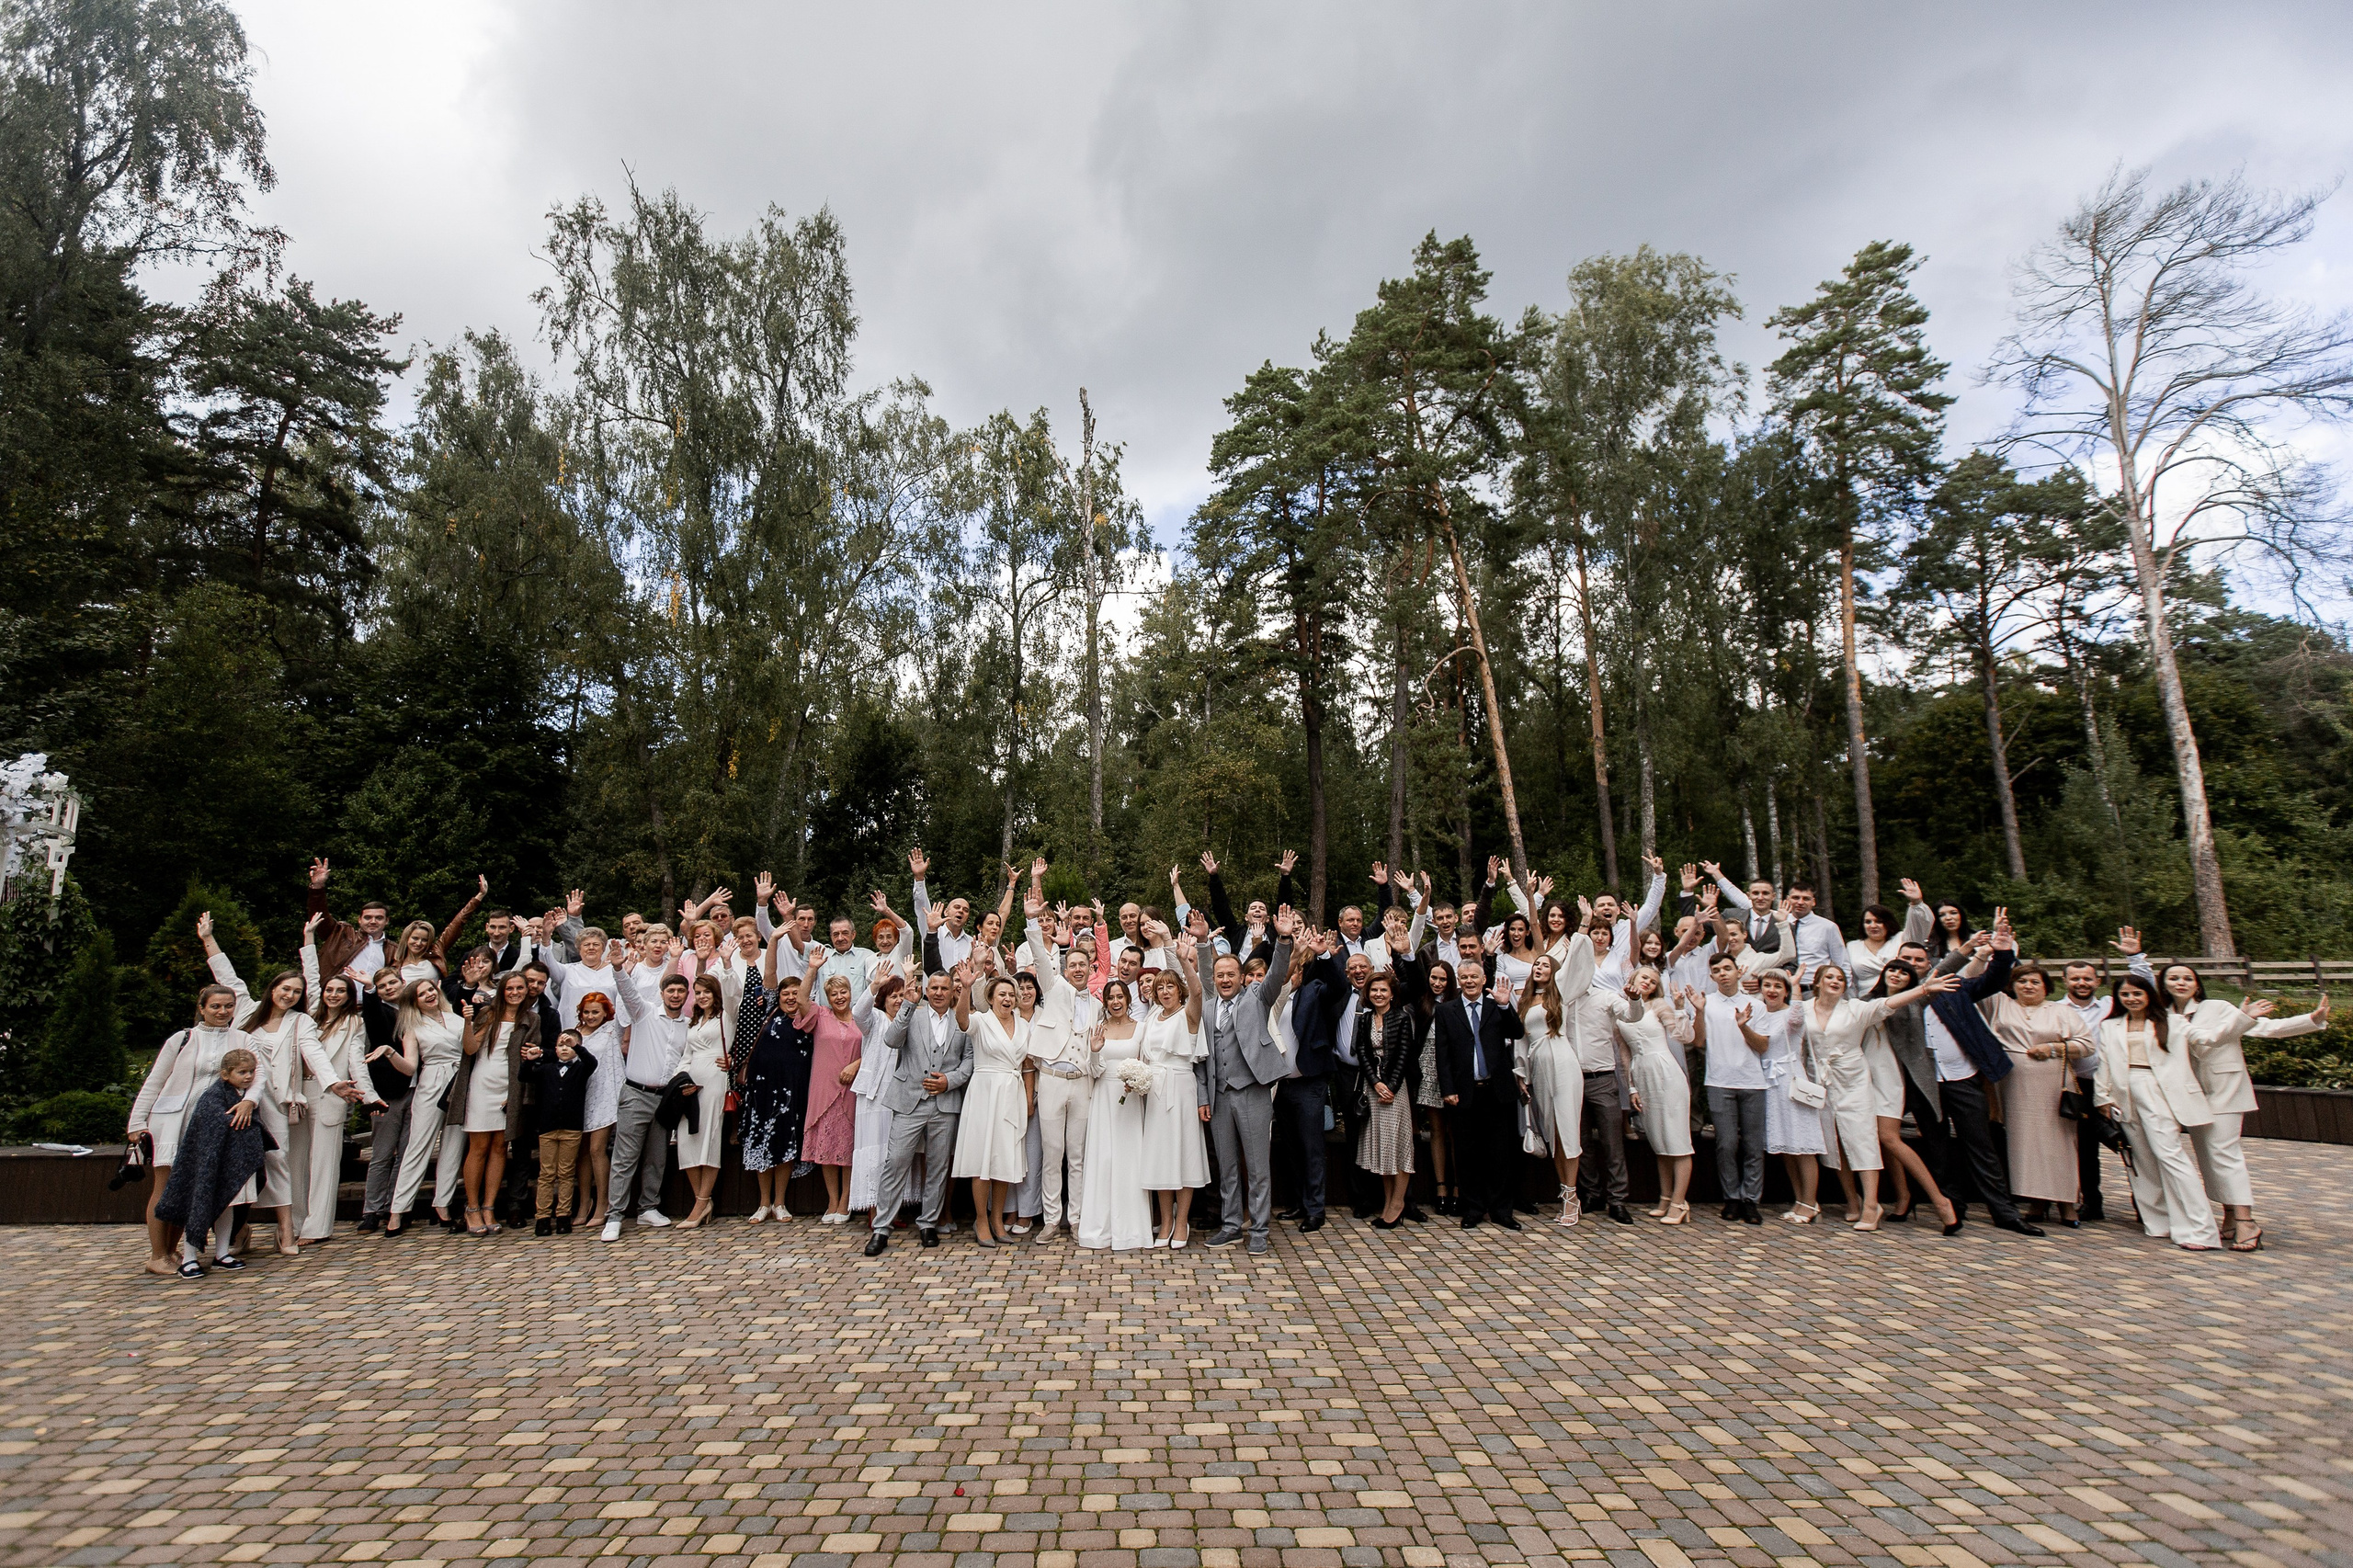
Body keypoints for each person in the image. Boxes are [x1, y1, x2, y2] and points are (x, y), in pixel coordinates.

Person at [2158, 962, 2329, 1253]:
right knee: (2207, 1156)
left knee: (2225, 1153)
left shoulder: (2218, 1007)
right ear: (2163, 985)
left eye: (2188, 977)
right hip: (2190, 1092)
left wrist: (2310, 1019)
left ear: (2197, 985)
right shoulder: (2163, 1016)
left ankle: (2246, 1220)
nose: (2181, 982)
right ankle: (2227, 1216)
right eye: (2173, 978)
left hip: (2225, 1088)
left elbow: (2264, 1028)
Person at [199, 914, 335, 1257]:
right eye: (285, 988)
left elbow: (315, 1053)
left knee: (278, 1161)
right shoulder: (245, 1010)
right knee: (234, 1163)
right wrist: (208, 939)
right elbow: (225, 975)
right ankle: (238, 1229)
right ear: (272, 989)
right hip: (235, 1100)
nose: (290, 995)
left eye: (296, 991)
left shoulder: (301, 1020)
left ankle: (286, 1229)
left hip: (277, 1103)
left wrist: (332, 1083)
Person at [1801, 958, 1957, 1232]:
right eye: (1829, 977)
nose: (1896, 975)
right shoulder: (1824, 1006)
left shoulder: (1862, 1008)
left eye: (1840, 978)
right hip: (1834, 1079)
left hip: (1879, 1078)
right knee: (1840, 1140)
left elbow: (1892, 1004)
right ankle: (1857, 1201)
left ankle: (1932, 1201)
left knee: (1882, 1138)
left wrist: (1926, 987)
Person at [127, 979, 260, 1274]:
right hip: (175, 1121)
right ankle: (157, 1255)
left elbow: (258, 1075)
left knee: (193, 1187)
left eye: (228, 1006)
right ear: (201, 1008)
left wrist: (250, 1100)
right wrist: (137, 1121)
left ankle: (175, 1251)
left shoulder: (242, 1039)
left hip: (217, 1124)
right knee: (166, 1187)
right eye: (215, 1006)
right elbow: (155, 1081)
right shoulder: (182, 1038)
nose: (222, 1011)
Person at [2093, 973, 2222, 1250]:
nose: (2131, 999)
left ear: (2149, 995)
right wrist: (2102, 1098)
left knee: (2170, 1157)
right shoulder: (2111, 1026)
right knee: (2141, 1160)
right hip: (2124, 1095)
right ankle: (2159, 1222)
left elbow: (2207, 1038)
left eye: (2137, 994)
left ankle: (2200, 1230)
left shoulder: (2173, 1022)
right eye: (2125, 995)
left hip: (2158, 1091)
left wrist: (2243, 1018)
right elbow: (2103, 1063)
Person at [1194, 913, 1294, 1254]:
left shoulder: (1257, 998)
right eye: (1220, 975)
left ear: (1241, 977)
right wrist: (1203, 942)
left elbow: (1278, 974)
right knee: (1227, 1166)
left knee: (1257, 1165)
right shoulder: (1209, 1007)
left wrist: (1282, 941)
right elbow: (1203, 1059)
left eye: (1230, 974)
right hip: (1219, 1095)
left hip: (1252, 1090)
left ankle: (1260, 1229)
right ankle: (1232, 1225)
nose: (1224, 980)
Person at [864, 965, 972, 1256]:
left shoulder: (963, 1021)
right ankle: (881, 1228)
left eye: (944, 988)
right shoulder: (913, 1013)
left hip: (944, 1105)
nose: (938, 993)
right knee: (896, 1162)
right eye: (933, 988)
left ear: (953, 992)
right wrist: (909, 1004)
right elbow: (891, 1040)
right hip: (909, 1100)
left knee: (938, 1166)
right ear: (927, 990)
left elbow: (968, 1063)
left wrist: (949, 1081)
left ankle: (928, 1223)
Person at [1976, 960, 2095, 1225]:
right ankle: (2036, 1203)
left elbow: (2087, 1045)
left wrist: (2053, 1048)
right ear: (2012, 985)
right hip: (2012, 1085)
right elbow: (1971, 978)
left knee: (2059, 1144)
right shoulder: (1999, 1004)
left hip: (2052, 1084)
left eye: (2034, 982)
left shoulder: (2061, 1012)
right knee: (2025, 1146)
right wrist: (1987, 953)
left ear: (2046, 986)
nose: (2028, 986)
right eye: (2021, 981)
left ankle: (2067, 1204)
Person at [540, 925, 639, 1228]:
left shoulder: (611, 1026)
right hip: (578, 1088)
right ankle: (582, 1204)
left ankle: (604, 1204)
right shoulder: (573, 1036)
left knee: (597, 1148)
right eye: (586, 945)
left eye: (597, 944)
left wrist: (625, 968)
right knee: (581, 1149)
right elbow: (547, 964)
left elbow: (626, 1002)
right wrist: (546, 936)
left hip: (606, 1087)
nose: (592, 948)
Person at [1859, 960, 1962, 1232]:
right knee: (1881, 1140)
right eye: (1893, 969)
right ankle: (1903, 1197)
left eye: (1905, 972)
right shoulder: (1864, 1001)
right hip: (1862, 1076)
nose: (1897, 974)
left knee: (1890, 1138)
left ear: (1911, 981)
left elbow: (1939, 975)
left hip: (1893, 1077)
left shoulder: (1914, 1002)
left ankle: (1940, 1201)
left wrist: (1965, 950)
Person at [153, 1048, 272, 1278]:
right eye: (242, 1072)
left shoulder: (243, 1097)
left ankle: (222, 1253)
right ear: (226, 1074)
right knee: (200, 1207)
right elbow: (212, 1128)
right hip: (208, 1167)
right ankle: (189, 1258)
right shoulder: (213, 1097)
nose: (248, 1076)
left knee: (227, 1205)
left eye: (251, 1072)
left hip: (231, 1165)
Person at [1023, 888, 1098, 1242]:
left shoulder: (1098, 1004)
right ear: (1065, 969)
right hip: (1051, 1079)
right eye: (1073, 965)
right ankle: (1052, 1220)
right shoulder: (1053, 989)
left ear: (1091, 968)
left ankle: (1078, 1218)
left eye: (1084, 965)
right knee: (1052, 1154)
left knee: (1078, 1156)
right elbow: (1039, 955)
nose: (1078, 970)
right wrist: (1031, 921)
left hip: (1082, 1082)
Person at [1433, 958, 1529, 1232]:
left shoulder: (1495, 1006)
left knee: (1500, 1155)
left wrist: (1504, 1004)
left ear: (1484, 979)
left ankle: (1501, 1210)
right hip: (1463, 1094)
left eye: (1474, 976)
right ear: (1458, 981)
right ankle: (1473, 1208)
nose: (1470, 981)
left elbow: (1517, 1032)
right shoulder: (1446, 1011)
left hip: (1497, 1092)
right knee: (1466, 1154)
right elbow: (1443, 1053)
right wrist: (1448, 1089)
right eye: (1464, 977)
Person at [294, 940, 376, 1244]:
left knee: (324, 1164)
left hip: (333, 1095)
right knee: (296, 1161)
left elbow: (356, 1062)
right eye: (330, 990)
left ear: (348, 996)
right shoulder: (306, 1019)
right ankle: (295, 1221)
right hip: (299, 1093)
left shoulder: (355, 1022)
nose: (333, 994)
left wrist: (368, 1097)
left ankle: (317, 1228)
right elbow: (311, 977)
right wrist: (309, 942)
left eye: (340, 991)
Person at [600, 969, 689, 1243]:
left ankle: (648, 1207)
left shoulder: (688, 1024)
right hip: (636, 1093)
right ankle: (614, 1216)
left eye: (680, 991)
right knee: (625, 1157)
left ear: (687, 995)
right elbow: (628, 992)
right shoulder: (645, 1012)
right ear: (662, 993)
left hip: (666, 1098)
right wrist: (617, 968)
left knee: (656, 1156)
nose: (675, 995)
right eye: (670, 991)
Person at [952, 970, 1035, 1247]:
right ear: (990, 997)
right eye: (1002, 994)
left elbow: (1027, 1066)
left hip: (1012, 1094)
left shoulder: (1024, 1025)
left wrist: (1028, 1099)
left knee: (1004, 1158)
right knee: (983, 1159)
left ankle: (998, 1219)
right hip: (985, 1092)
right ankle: (981, 1219)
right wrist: (965, 989)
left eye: (1012, 994)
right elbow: (961, 1020)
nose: (1008, 998)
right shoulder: (982, 1021)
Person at [455, 968, 538, 1235]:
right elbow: (469, 1049)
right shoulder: (488, 1014)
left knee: (501, 1147)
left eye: (520, 988)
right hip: (483, 1083)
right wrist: (468, 1023)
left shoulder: (531, 1019)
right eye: (510, 988)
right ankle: (472, 1207)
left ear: (527, 992)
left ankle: (489, 1206)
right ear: (502, 991)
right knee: (478, 1146)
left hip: (510, 1086)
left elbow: (530, 1056)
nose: (515, 993)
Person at [1137, 950, 1209, 1246]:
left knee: (1183, 1153)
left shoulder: (1188, 1014)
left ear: (1179, 990)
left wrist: (1183, 962)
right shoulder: (1153, 1016)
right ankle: (1165, 1222)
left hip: (1180, 1086)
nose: (1165, 991)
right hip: (1154, 1089)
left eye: (1170, 986)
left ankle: (1182, 1223)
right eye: (1160, 988)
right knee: (1160, 1156)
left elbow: (1199, 990)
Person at [384, 978, 465, 1236]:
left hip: (459, 1081)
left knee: (453, 1146)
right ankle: (398, 1210)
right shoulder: (413, 1026)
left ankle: (442, 1205)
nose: (429, 995)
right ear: (414, 1002)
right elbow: (409, 1067)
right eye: (422, 994)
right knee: (418, 1148)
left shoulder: (455, 1017)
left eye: (431, 989)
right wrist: (389, 1054)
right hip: (431, 1081)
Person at [1076, 979, 1154, 1250]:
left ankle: (1131, 1230)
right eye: (1111, 998)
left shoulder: (1141, 1029)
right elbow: (1094, 1070)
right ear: (1105, 1003)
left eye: (1120, 996)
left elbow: (1146, 1064)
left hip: (1131, 1101)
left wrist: (1139, 1082)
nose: (1116, 1002)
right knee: (1104, 1158)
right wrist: (1096, 1052)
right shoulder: (1099, 1030)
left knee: (1129, 1159)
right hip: (1104, 1097)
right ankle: (1100, 1228)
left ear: (1128, 1000)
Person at [1693, 949, 1769, 1224]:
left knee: (1753, 1145)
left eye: (1727, 969)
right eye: (1717, 971)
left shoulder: (1756, 1005)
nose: (1723, 974)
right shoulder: (1707, 1003)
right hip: (1718, 1081)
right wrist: (1698, 1013)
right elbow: (1698, 1042)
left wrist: (1744, 1027)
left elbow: (1762, 1045)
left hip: (1752, 1082)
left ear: (1738, 971)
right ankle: (1731, 1199)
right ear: (1712, 977)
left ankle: (1751, 1200)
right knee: (1725, 1145)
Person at [1742, 972, 1823, 1222]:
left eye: (1778, 986)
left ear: (1786, 991)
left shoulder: (1792, 1013)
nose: (1772, 990)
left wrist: (1797, 988)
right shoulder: (1758, 1013)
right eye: (1768, 985)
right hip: (1769, 1082)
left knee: (1803, 1145)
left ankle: (1811, 1203)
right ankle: (1799, 1201)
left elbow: (1797, 1019)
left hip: (1790, 1079)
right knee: (1787, 1146)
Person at [1618, 966, 1695, 1223]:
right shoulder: (1620, 1009)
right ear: (1633, 979)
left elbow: (1683, 1036)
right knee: (1659, 1141)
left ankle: (1679, 1202)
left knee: (1678, 1141)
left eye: (1653, 981)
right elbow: (1624, 1053)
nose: (1648, 983)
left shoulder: (1660, 1005)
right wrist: (1631, 1087)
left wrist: (1681, 1008)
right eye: (1644, 978)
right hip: (1642, 1074)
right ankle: (1664, 1197)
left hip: (1666, 1072)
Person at [1518, 949, 1587, 1226]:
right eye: (1536, 963)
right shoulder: (1524, 1000)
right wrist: (1521, 1075)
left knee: (1568, 1131)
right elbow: (1522, 1041)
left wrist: (1582, 926)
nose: (1539, 968)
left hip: (1562, 1062)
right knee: (1552, 1134)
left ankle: (1572, 1197)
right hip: (1539, 1067)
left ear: (1554, 971)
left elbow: (1580, 963)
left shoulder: (1560, 994)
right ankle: (1565, 1193)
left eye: (1545, 965)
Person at [803, 973, 867, 1222]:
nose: (839, 997)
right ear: (827, 997)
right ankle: (832, 1199)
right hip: (825, 1090)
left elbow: (876, 1047)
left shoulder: (862, 1017)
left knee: (849, 1147)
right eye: (834, 994)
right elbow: (800, 1002)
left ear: (851, 993)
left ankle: (846, 1201)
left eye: (843, 992)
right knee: (827, 1147)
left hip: (852, 1090)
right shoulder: (820, 1015)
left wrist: (856, 1065)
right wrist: (812, 969)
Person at [1354, 971, 1415, 1227]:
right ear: (1368, 994)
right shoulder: (1366, 1019)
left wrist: (1389, 1086)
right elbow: (1362, 1052)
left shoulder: (1402, 1017)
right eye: (1374, 990)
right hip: (1373, 1088)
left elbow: (1404, 1053)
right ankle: (1388, 1201)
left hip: (1395, 1090)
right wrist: (1375, 1083)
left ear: (1392, 993)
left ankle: (1398, 1203)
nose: (1378, 994)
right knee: (1382, 1147)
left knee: (1397, 1146)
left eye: (1383, 990)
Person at [521, 1030, 597, 1234]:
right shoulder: (546, 1069)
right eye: (561, 1045)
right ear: (554, 1049)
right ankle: (543, 1217)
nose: (565, 1048)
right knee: (546, 1173)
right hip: (547, 1128)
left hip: (571, 1128)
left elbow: (592, 1062)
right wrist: (530, 1060)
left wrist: (578, 1046)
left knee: (566, 1172)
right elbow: (524, 1076)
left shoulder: (581, 1068)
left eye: (569, 1045)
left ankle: (563, 1215)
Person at [673, 974, 733, 1228]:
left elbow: (732, 992)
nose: (702, 996)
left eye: (706, 991)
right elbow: (686, 1055)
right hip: (690, 1083)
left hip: (715, 1078)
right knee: (686, 1141)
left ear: (715, 993)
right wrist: (679, 1080)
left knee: (709, 1137)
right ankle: (701, 1199)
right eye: (698, 992)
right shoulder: (693, 1021)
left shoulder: (725, 1017)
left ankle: (702, 1201)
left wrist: (727, 964)